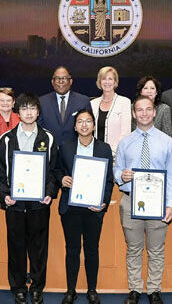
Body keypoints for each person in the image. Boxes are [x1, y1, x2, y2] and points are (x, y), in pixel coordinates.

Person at [0, 93, 59, 304]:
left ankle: (37, 287)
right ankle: (19, 287)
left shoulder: (48, 138)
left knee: (39, 248)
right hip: (15, 205)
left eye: (32, 108)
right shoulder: (6, 139)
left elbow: (53, 171)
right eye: (24, 109)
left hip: (39, 204)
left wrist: (49, 192)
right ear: (18, 112)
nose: (29, 112)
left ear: (38, 112)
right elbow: (1, 173)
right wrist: (4, 195)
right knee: (16, 247)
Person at [114, 96, 172, 304]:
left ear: (155, 112)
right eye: (140, 110)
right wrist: (122, 175)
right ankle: (135, 289)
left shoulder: (168, 142)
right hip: (131, 201)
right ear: (133, 113)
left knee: (156, 249)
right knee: (133, 249)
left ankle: (154, 289)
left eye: (148, 109)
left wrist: (170, 204)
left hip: (158, 204)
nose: (144, 113)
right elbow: (117, 169)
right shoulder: (125, 142)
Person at [57, 109, 114, 304]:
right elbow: (55, 170)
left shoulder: (104, 149)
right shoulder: (65, 146)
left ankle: (92, 290)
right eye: (80, 122)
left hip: (93, 209)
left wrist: (104, 203)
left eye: (88, 121)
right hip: (70, 208)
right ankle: (70, 290)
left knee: (92, 250)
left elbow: (108, 180)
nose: (84, 125)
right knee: (72, 249)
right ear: (75, 126)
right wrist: (62, 179)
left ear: (93, 125)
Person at [38, 66, 92, 145]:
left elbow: (89, 129)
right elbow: (38, 128)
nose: (61, 81)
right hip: (50, 151)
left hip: (75, 151)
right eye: (57, 78)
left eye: (64, 78)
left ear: (71, 81)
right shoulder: (42, 102)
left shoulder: (83, 101)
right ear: (52, 82)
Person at [90, 66, 131, 157]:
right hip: (95, 155)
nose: (107, 82)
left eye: (110, 79)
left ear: (115, 82)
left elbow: (126, 132)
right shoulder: (93, 104)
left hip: (117, 156)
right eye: (104, 79)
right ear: (99, 82)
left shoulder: (124, 102)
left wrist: (111, 152)